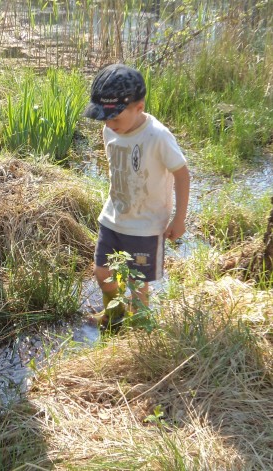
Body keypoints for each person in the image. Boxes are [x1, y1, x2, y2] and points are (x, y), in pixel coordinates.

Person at [83, 64, 190, 329]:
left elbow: (182, 174)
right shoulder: (110, 130)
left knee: (137, 281)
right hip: (112, 216)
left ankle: (141, 322)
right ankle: (115, 310)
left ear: (139, 107)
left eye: (116, 117)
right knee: (101, 271)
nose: (109, 124)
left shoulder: (158, 136)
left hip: (145, 225)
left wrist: (179, 219)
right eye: (104, 117)